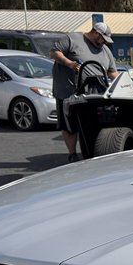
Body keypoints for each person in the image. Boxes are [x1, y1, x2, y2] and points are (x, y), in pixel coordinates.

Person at [50, 22, 118, 162]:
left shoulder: (105, 51)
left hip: (94, 94)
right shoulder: (72, 39)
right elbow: (54, 52)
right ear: (96, 33)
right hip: (68, 92)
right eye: (103, 39)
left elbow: (112, 72)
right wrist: (69, 63)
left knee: (93, 124)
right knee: (70, 125)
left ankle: (94, 152)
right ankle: (73, 154)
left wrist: (124, 83)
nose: (104, 42)